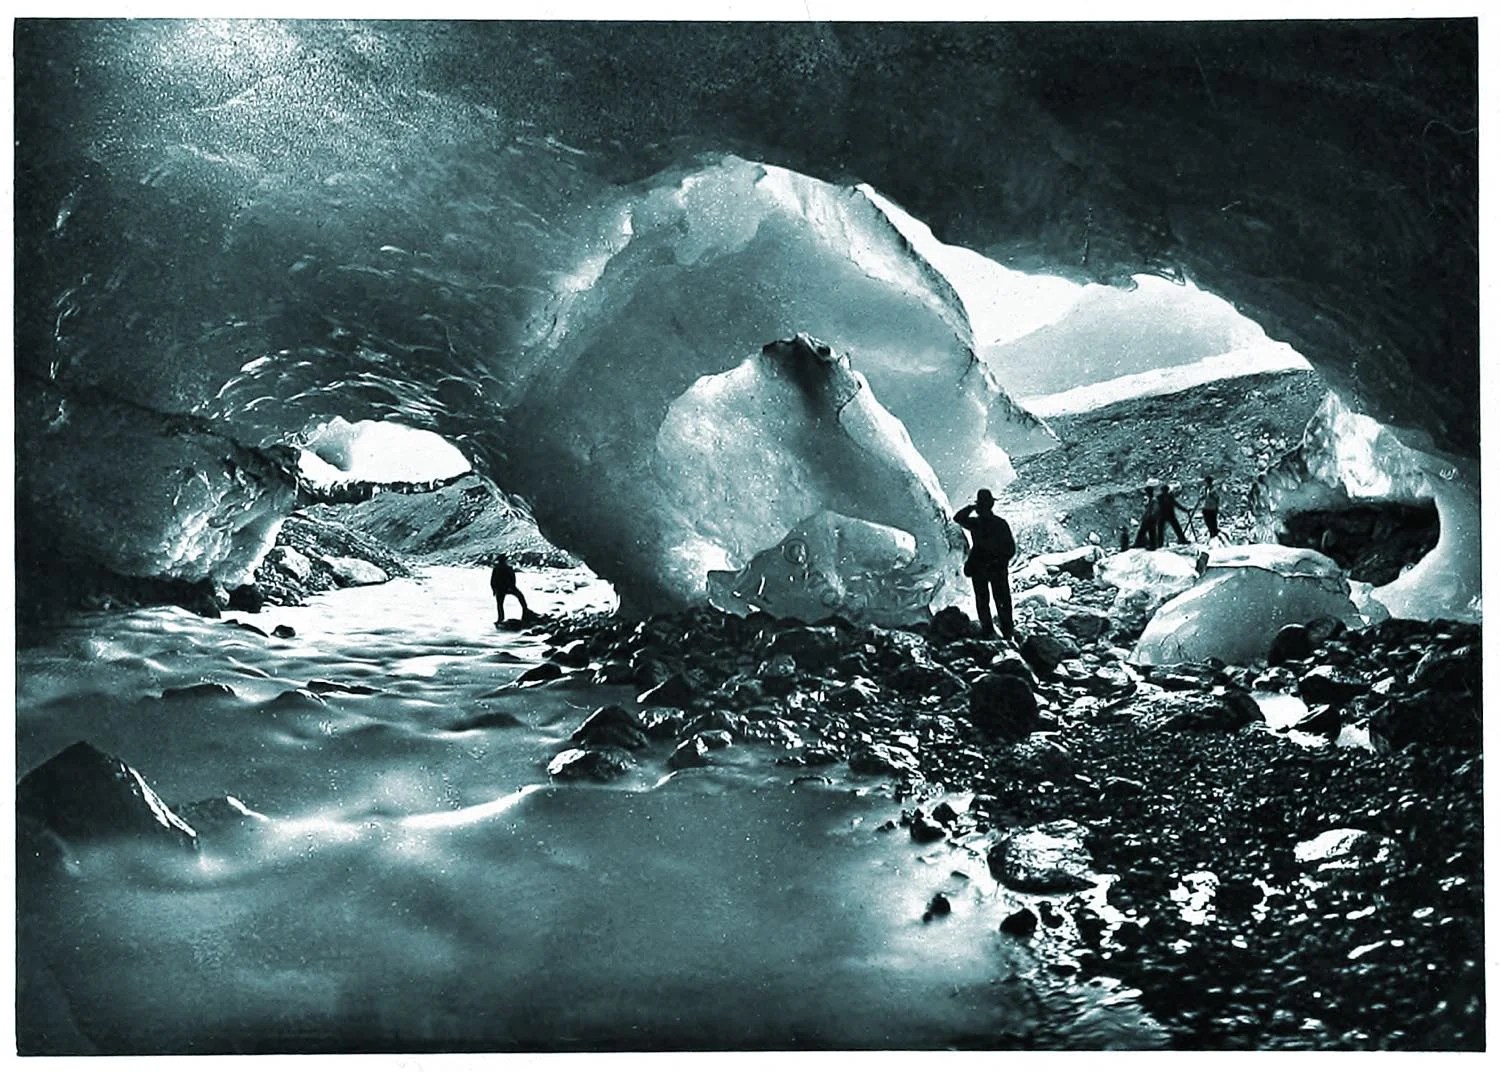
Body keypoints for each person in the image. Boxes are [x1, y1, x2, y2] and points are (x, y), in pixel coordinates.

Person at [953, 489, 1016, 638]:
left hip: (981, 567)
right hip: (995, 569)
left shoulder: (976, 523)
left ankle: (988, 629)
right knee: (1002, 600)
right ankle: (1007, 630)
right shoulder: (1000, 523)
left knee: (983, 600)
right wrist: (1000, 562)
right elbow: (1010, 549)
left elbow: (959, 518)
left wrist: (971, 508)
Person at [490, 554, 531, 626]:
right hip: (508, 587)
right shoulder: (508, 568)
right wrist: (512, 587)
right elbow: (513, 579)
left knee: (500, 605)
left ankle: (500, 619)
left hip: (500, 589)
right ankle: (525, 613)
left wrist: (494, 590)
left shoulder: (496, 568)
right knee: (521, 598)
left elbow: (492, 581)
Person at [1155, 481, 1190, 547]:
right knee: (1161, 530)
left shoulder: (1167, 497)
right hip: (1163, 515)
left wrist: (1185, 510)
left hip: (1167, 515)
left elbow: (1176, 504)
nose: (1165, 491)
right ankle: (1160, 543)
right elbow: (1177, 505)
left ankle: (1182, 539)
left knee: (1175, 528)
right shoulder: (1160, 498)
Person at [1132, 481, 1162, 550]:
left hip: (1150, 519)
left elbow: (1154, 511)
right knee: (1145, 532)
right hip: (1149, 519)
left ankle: (1151, 545)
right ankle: (1140, 543)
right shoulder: (1151, 500)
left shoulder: (1154, 501)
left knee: (1149, 532)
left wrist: (1150, 517)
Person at [1195, 475, 1222, 543]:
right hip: (1206, 507)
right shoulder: (1205, 489)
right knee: (1208, 522)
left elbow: (1217, 498)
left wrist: (1216, 507)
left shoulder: (1214, 489)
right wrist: (1201, 497)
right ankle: (1211, 534)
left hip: (1212, 508)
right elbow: (1204, 496)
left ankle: (1214, 535)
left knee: (1213, 522)